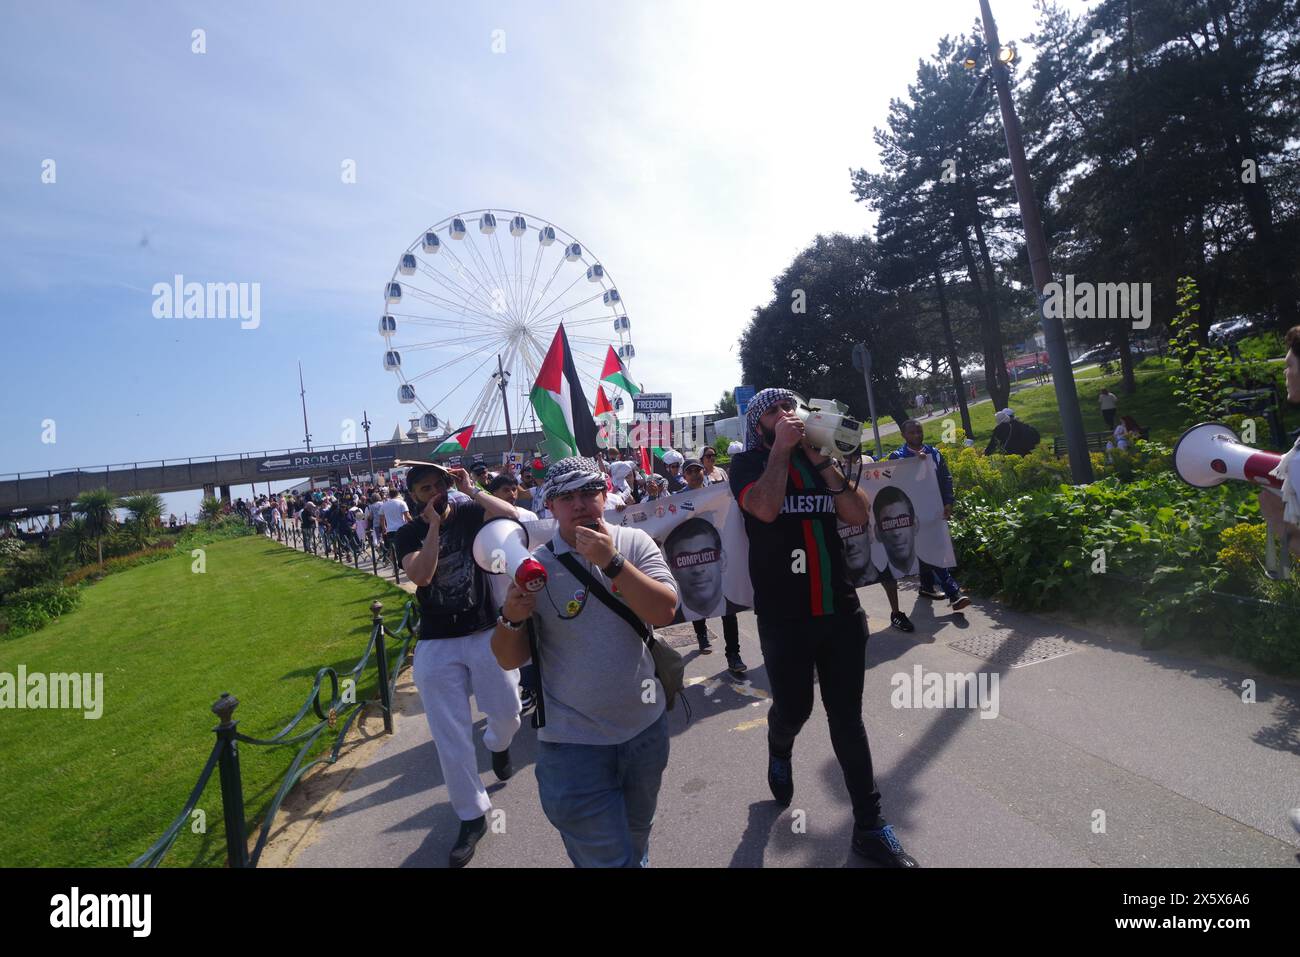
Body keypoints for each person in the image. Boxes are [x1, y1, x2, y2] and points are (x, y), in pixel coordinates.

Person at [728, 387, 917, 867]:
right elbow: (766, 509)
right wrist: (781, 453)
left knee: (848, 720)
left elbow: (857, 514)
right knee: (794, 709)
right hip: (784, 616)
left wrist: (820, 460)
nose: (785, 414)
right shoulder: (748, 466)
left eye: (789, 406)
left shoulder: (819, 459)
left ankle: (870, 827)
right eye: (772, 411)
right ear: (758, 426)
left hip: (839, 609)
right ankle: (779, 741)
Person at [489, 456, 679, 868]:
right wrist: (511, 618)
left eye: (588, 494)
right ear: (550, 507)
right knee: (606, 859)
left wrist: (613, 562)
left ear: (604, 495)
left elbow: (664, 611)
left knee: (636, 838)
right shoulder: (534, 566)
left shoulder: (633, 543)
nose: (579, 505)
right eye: (566, 497)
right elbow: (509, 658)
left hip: (644, 731)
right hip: (572, 745)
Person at [392, 460, 523, 868]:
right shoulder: (408, 532)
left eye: (437, 486)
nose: (433, 494)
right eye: (423, 490)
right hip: (437, 642)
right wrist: (432, 527)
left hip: (485, 630)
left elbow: (514, 517)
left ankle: (498, 744)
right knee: (449, 732)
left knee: (509, 712)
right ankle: (470, 815)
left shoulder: (469, 511)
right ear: (412, 498)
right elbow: (422, 576)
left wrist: (471, 488)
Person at [888, 419, 971, 612]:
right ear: (903, 436)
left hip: (934, 512)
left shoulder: (935, 454)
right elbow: (894, 483)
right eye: (912, 433)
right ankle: (954, 593)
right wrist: (915, 464)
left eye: (919, 432)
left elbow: (945, 478)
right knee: (932, 551)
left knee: (929, 549)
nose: (917, 436)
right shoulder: (898, 456)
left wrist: (948, 501)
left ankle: (926, 587)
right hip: (912, 516)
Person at [664, 514, 747, 676]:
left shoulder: (737, 604)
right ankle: (701, 635)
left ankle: (733, 654)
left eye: (706, 554)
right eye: (685, 559)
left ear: (722, 559)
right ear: (671, 569)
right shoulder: (669, 614)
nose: (698, 569)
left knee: (729, 616)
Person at [379, 487, 410, 558]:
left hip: (390, 530)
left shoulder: (384, 505)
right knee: (405, 548)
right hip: (402, 528)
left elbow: (381, 518)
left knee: (393, 549)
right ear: (398, 494)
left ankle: (394, 566)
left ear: (389, 495)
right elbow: (407, 516)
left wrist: (384, 528)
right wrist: (413, 525)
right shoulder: (402, 503)